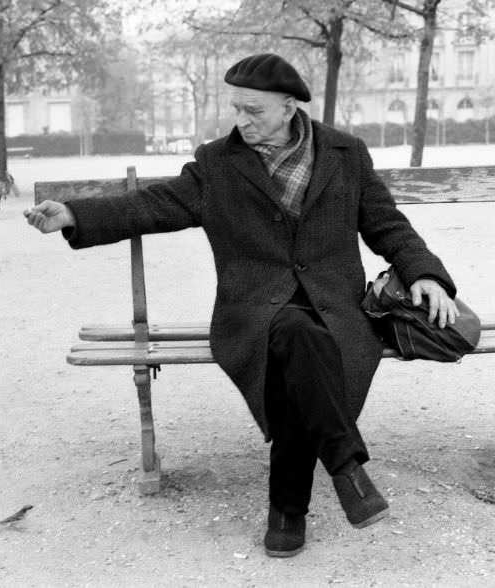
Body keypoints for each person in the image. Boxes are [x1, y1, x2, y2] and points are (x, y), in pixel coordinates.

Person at [24, 53, 459, 558]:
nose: (241, 121)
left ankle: (289, 509)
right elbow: (152, 204)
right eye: (236, 109)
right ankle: (345, 467)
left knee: (305, 350)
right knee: (297, 339)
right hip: (252, 311)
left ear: (290, 106)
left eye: (253, 110)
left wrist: (424, 274)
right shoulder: (217, 164)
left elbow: (387, 224)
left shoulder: (346, 154)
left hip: (335, 308)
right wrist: (75, 214)